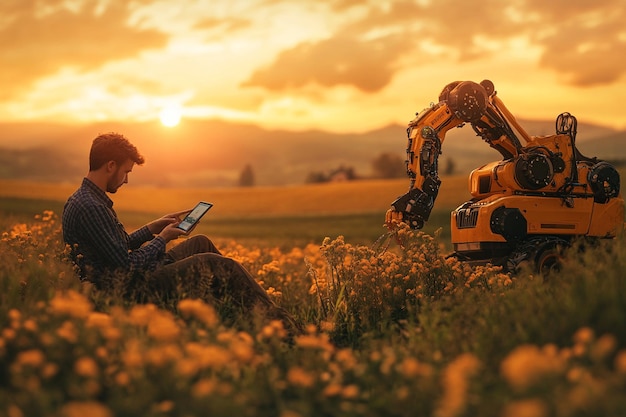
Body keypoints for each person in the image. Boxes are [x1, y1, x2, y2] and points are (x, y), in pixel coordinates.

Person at [62, 132, 299, 333]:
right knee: (220, 266)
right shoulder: (92, 207)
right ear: (110, 165)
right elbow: (125, 266)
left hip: (130, 276)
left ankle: (233, 315)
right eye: (126, 172)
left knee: (200, 243)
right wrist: (164, 238)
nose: (125, 181)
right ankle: (284, 328)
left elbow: (117, 246)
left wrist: (152, 228)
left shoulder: (87, 198)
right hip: (129, 289)